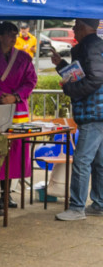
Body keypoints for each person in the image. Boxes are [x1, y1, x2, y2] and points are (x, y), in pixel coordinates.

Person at [0, 21, 37, 206]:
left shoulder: (24, 58)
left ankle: (6, 193)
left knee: (14, 153)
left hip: (17, 110)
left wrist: (16, 96)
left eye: (15, 34)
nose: (13, 37)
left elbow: (31, 81)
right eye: (10, 34)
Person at [51, 18, 103, 220]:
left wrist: (70, 90)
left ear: (83, 27)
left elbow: (95, 78)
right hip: (99, 113)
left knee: (81, 160)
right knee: (99, 162)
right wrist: (61, 65)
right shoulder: (95, 45)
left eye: (75, 26)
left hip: (92, 112)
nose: (72, 30)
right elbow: (86, 74)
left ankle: (77, 207)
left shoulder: (88, 46)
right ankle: (98, 203)